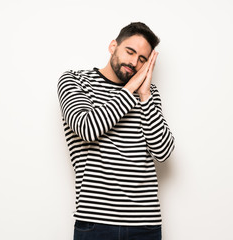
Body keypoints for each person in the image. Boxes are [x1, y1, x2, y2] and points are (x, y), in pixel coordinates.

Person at [57, 22, 175, 240]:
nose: (134, 63)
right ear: (113, 46)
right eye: (130, 52)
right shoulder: (75, 81)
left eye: (142, 59)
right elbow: (87, 128)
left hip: (145, 224)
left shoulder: (148, 93)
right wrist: (130, 89)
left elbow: (163, 152)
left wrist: (145, 94)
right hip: (95, 222)